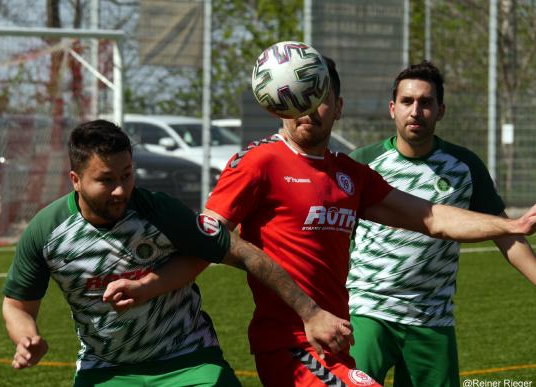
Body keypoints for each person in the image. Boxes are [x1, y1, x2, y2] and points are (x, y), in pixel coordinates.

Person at [104, 56, 536, 387]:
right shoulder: (258, 163)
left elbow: (432, 218)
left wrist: (510, 226)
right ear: (279, 102)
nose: (309, 106)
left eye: (320, 95)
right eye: (299, 94)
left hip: (335, 340)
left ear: (338, 107)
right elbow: (209, 237)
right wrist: (148, 285)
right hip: (290, 343)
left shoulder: (349, 174)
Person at [1, 119, 354, 386]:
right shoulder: (47, 233)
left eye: (127, 175)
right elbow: (17, 305)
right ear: (75, 180)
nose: (121, 189)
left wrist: (310, 312)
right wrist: (26, 337)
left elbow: (244, 253)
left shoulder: (160, 212)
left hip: (188, 358)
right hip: (105, 367)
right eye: (106, 180)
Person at [347, 60, 536, 386]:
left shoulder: (465, 166)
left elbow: (505, 234)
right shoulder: (363, 165)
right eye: (407, 102)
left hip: (431, 318)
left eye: (426, 102)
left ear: (441, 110)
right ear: (393, 109)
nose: (415, 111)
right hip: (369, 311)